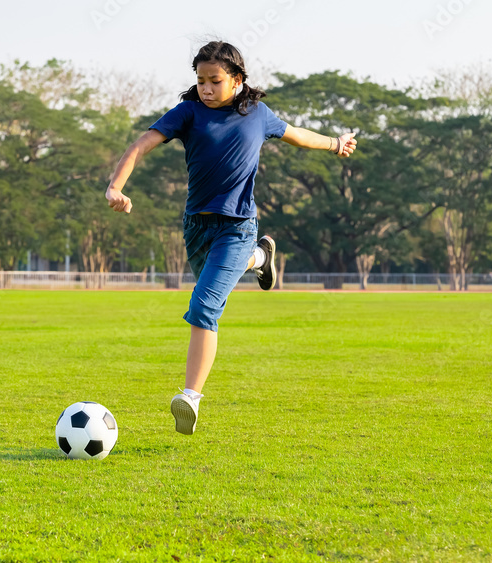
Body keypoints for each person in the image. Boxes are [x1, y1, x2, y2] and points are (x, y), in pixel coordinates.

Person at [104, 40, 357, 435]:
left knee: (204, 306)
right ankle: (261, 259)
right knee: (213, 293)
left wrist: (335, 143)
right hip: (196, 227)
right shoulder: (188, 113)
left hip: (238, 225)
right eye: (201, 81)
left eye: (215, 81)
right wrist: (115, 187)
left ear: (237, 80)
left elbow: (298, 135)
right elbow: (143, 143)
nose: (206, 88)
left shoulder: (258, 115)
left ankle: (190, 397)